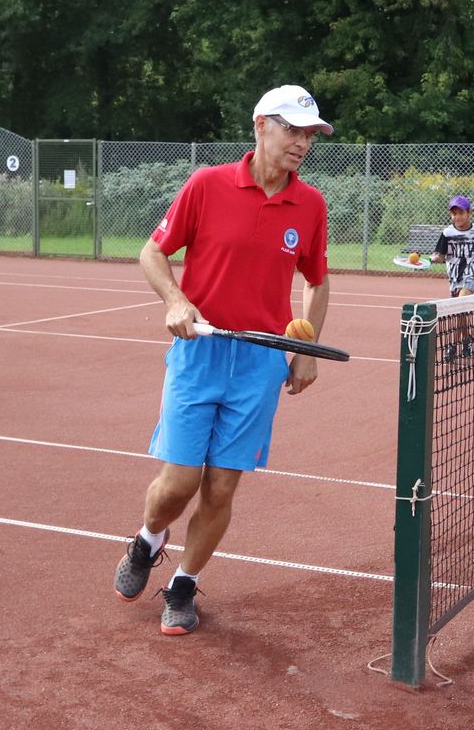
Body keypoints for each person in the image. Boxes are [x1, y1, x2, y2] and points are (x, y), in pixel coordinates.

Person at [113, 84, 335, 635]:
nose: (302, 142)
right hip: (199, 353)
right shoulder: (207, 184)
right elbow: (153, 251)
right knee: (178, 485)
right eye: (292, 129)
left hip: (260, 363)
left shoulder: (310, 204)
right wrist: (175, 300)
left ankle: (183, 585)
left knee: (220, 487)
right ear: (261, 125)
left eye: (310, 134)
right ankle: (148, 539)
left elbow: (317, 279)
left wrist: (305, 349)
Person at [429, 195, 474, 360]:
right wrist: (435, 258)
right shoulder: (447, 233)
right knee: (460, 310)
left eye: (461, 213)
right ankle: (467, 338)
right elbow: (441, 255)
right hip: (454, 276)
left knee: (460, 303)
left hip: (472, 274)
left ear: (469, 213)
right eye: (453, 214)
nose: (457, 217)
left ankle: (452, 346)